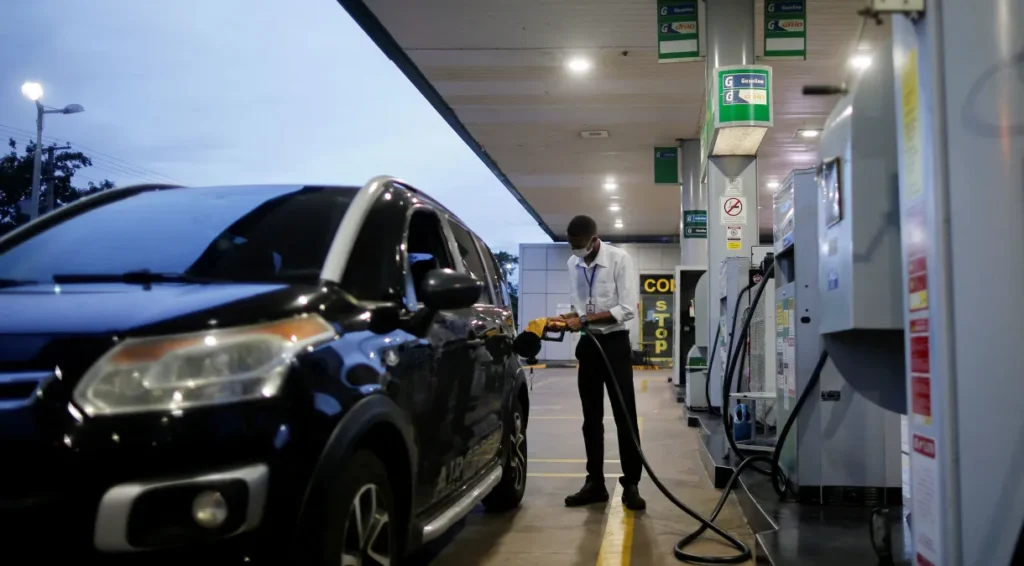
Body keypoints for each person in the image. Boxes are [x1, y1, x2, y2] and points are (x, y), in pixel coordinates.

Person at [556, 215, 645, 511]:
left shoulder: (620, 260)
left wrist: (583, 318)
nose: (575, 251)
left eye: (579, 245)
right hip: (589, 344)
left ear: (594, 240)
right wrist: (568, 318)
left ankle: (631, 484)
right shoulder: (573, 264)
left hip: (615, 343)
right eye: (571, 245)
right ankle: (595, 482)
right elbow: (579, 306)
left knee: (624, 415)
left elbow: (626, 309)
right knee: (590, 418)